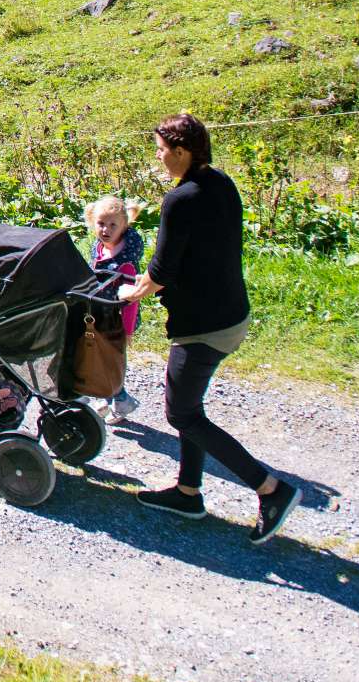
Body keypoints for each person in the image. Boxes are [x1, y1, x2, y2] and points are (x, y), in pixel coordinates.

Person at [117, 113, 299, 543]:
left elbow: (161, 271)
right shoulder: (220, 183)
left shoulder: (180, 199)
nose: (159, 157)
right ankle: (187, 492)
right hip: (232, 312)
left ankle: (271, 489)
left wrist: (130, 292)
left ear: (182, 152)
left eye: (162, 150)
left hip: (204, 325)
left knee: (181, 413)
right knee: (191, 408)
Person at [83, 194, 144, 424]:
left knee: (110, 361)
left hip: (117, 320)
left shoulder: (125, 261)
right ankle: (107, 397)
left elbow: (131, 300)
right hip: (99, 315)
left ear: (124, 226)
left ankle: (116, 398)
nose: (105, 230)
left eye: (112, 225)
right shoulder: (99, 248)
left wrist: (127, 331)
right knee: (98, 357)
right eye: (101, 223)